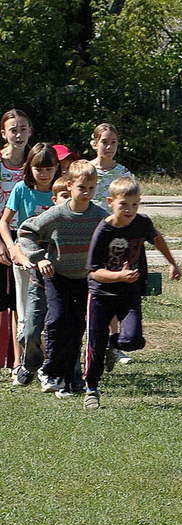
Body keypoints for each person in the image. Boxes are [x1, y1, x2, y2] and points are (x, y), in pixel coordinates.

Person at [84, 177, 181, 409]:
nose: (129, 210)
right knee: (94, 345)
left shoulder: (142, 223)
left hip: (130, 294)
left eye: (135, 205)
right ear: (110, 202)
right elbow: (93, 272)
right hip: (101, 295)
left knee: (133, 340)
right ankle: (92, 390)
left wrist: (172, 263)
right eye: (124, 205)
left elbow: (158, 239)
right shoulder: (103, 230)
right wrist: (118, 276)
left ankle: (113, 344)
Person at [16, 160, 108, 398]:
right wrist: (39, 258)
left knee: (76, 328)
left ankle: (70, 378)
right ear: (70, 185)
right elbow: (26, 232)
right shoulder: (56, 214)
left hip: (83, 279)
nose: (87, 193)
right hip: (57, 277)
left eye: (91, 187)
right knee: (56, 321)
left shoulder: (98, 215)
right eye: (82, 188)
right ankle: (50, 371)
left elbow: (112, 235)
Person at [12, 178, 84, 389]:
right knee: (30, 332)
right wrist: (35, 258)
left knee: (68, 330)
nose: (66, 200)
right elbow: (22, 239)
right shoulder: (44, 221)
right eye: (62, 196)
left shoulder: (75, 224)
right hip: (40, 286)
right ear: (54, 199)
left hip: (66, 288)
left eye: (69, 196)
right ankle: (31, 364)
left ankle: (71, 375)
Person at [1, 143, 58, 383]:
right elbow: (4, 222)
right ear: (29, 168)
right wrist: (12, 247)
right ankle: (24, 364)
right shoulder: (21, 189)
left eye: (49, 168)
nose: (44, 174)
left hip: (53, 260)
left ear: (57, 168)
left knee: (50, 316)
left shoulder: (60, 189)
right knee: (24, 316)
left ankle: (47, 366)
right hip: (24, 258)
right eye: (38, 168)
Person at [88, 123, 136, 366]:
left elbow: (131, 205)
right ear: (94, 143)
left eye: (113, 142)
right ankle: (92, 343)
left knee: (115, 290)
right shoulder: (86, 170)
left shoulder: (123, 172)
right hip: (89, 237)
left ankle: (115, 344)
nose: (108, 147)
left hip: (116, 240)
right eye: (104, 141)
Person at [0, 109, 33, 371]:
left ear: (30, 131)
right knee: (5, 300)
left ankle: (20, 360)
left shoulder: (36, 162)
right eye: (13, 129)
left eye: (23, 128)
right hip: (3, 234)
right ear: (4, 133)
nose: (18, 134)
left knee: (21, 301)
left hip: (31, 237)